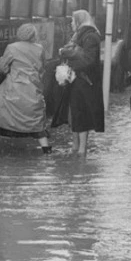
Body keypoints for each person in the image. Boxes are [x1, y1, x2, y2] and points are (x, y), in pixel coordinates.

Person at [0, 23, 52, 154]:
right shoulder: (40, 48)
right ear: (34, 35)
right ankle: (47, 151)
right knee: (36, 123)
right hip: (32, 89)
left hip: (12, 88)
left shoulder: (12, 47)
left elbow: (2, 68)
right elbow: (42, 68)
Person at [53, 9, 104, 157]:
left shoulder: (90, 36)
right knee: (74, 114)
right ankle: (76, 147)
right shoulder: (81, 35)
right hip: (76, 81)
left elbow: (88, 60)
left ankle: (82, 150)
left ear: (79, 21)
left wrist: (68, 58)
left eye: (72, 21)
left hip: (84, 82)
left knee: (81, 115)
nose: (70, 24)